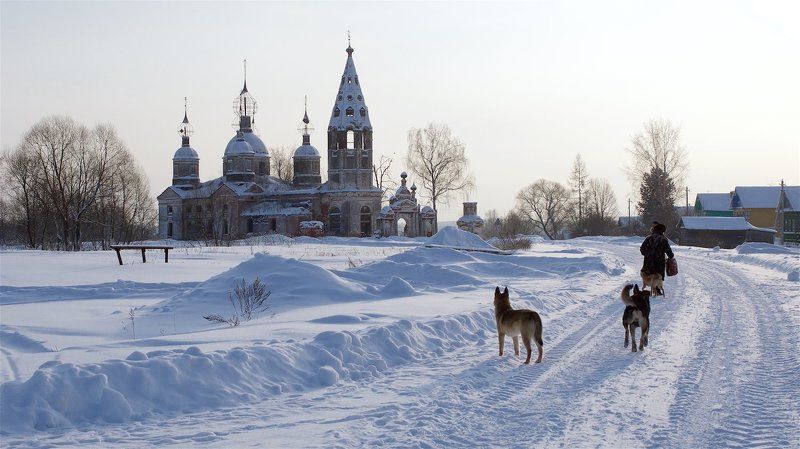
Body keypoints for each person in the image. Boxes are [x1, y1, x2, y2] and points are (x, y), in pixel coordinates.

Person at [640, 221, 674, 295]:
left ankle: (653, 289)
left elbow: (642, 249)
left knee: (649, 274)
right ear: (662, 231)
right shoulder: (663, 239)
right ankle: (657, 289)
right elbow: (668, 250)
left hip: (648, 261)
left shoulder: (648, 238)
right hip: (659, 261)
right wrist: (671, 256)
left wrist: (647, 255)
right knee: (657, 275)